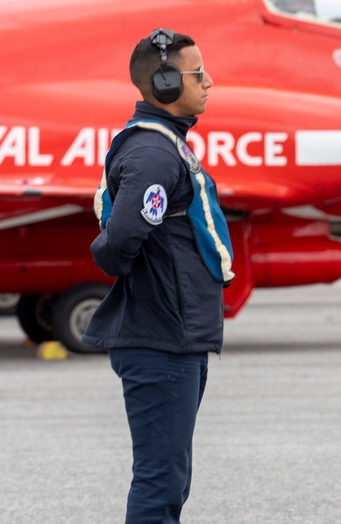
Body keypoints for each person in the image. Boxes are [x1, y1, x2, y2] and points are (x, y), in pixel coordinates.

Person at [84, 29, 235, 523]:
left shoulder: (168, 145)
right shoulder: (153, 152)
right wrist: (116, 258)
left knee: (172, 476)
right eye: (197, 74)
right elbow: (123, 237)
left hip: (176, 335)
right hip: (160, 337)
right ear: (166, 82)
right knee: (160, 480)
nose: (209, 82)